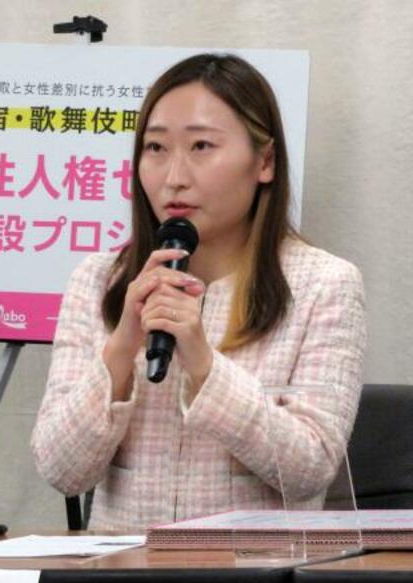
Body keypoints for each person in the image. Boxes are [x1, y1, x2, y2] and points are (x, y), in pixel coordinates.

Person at [31, 53, 366, 531]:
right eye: (156, 148)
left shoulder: (323, 284)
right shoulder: (99, 279)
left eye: (202, 146)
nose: (174, 177)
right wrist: (122, 347)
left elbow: (309, 468)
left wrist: (204, 364)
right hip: (125, 564)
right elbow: (61, 470)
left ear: (265, 161)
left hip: (255, 567)